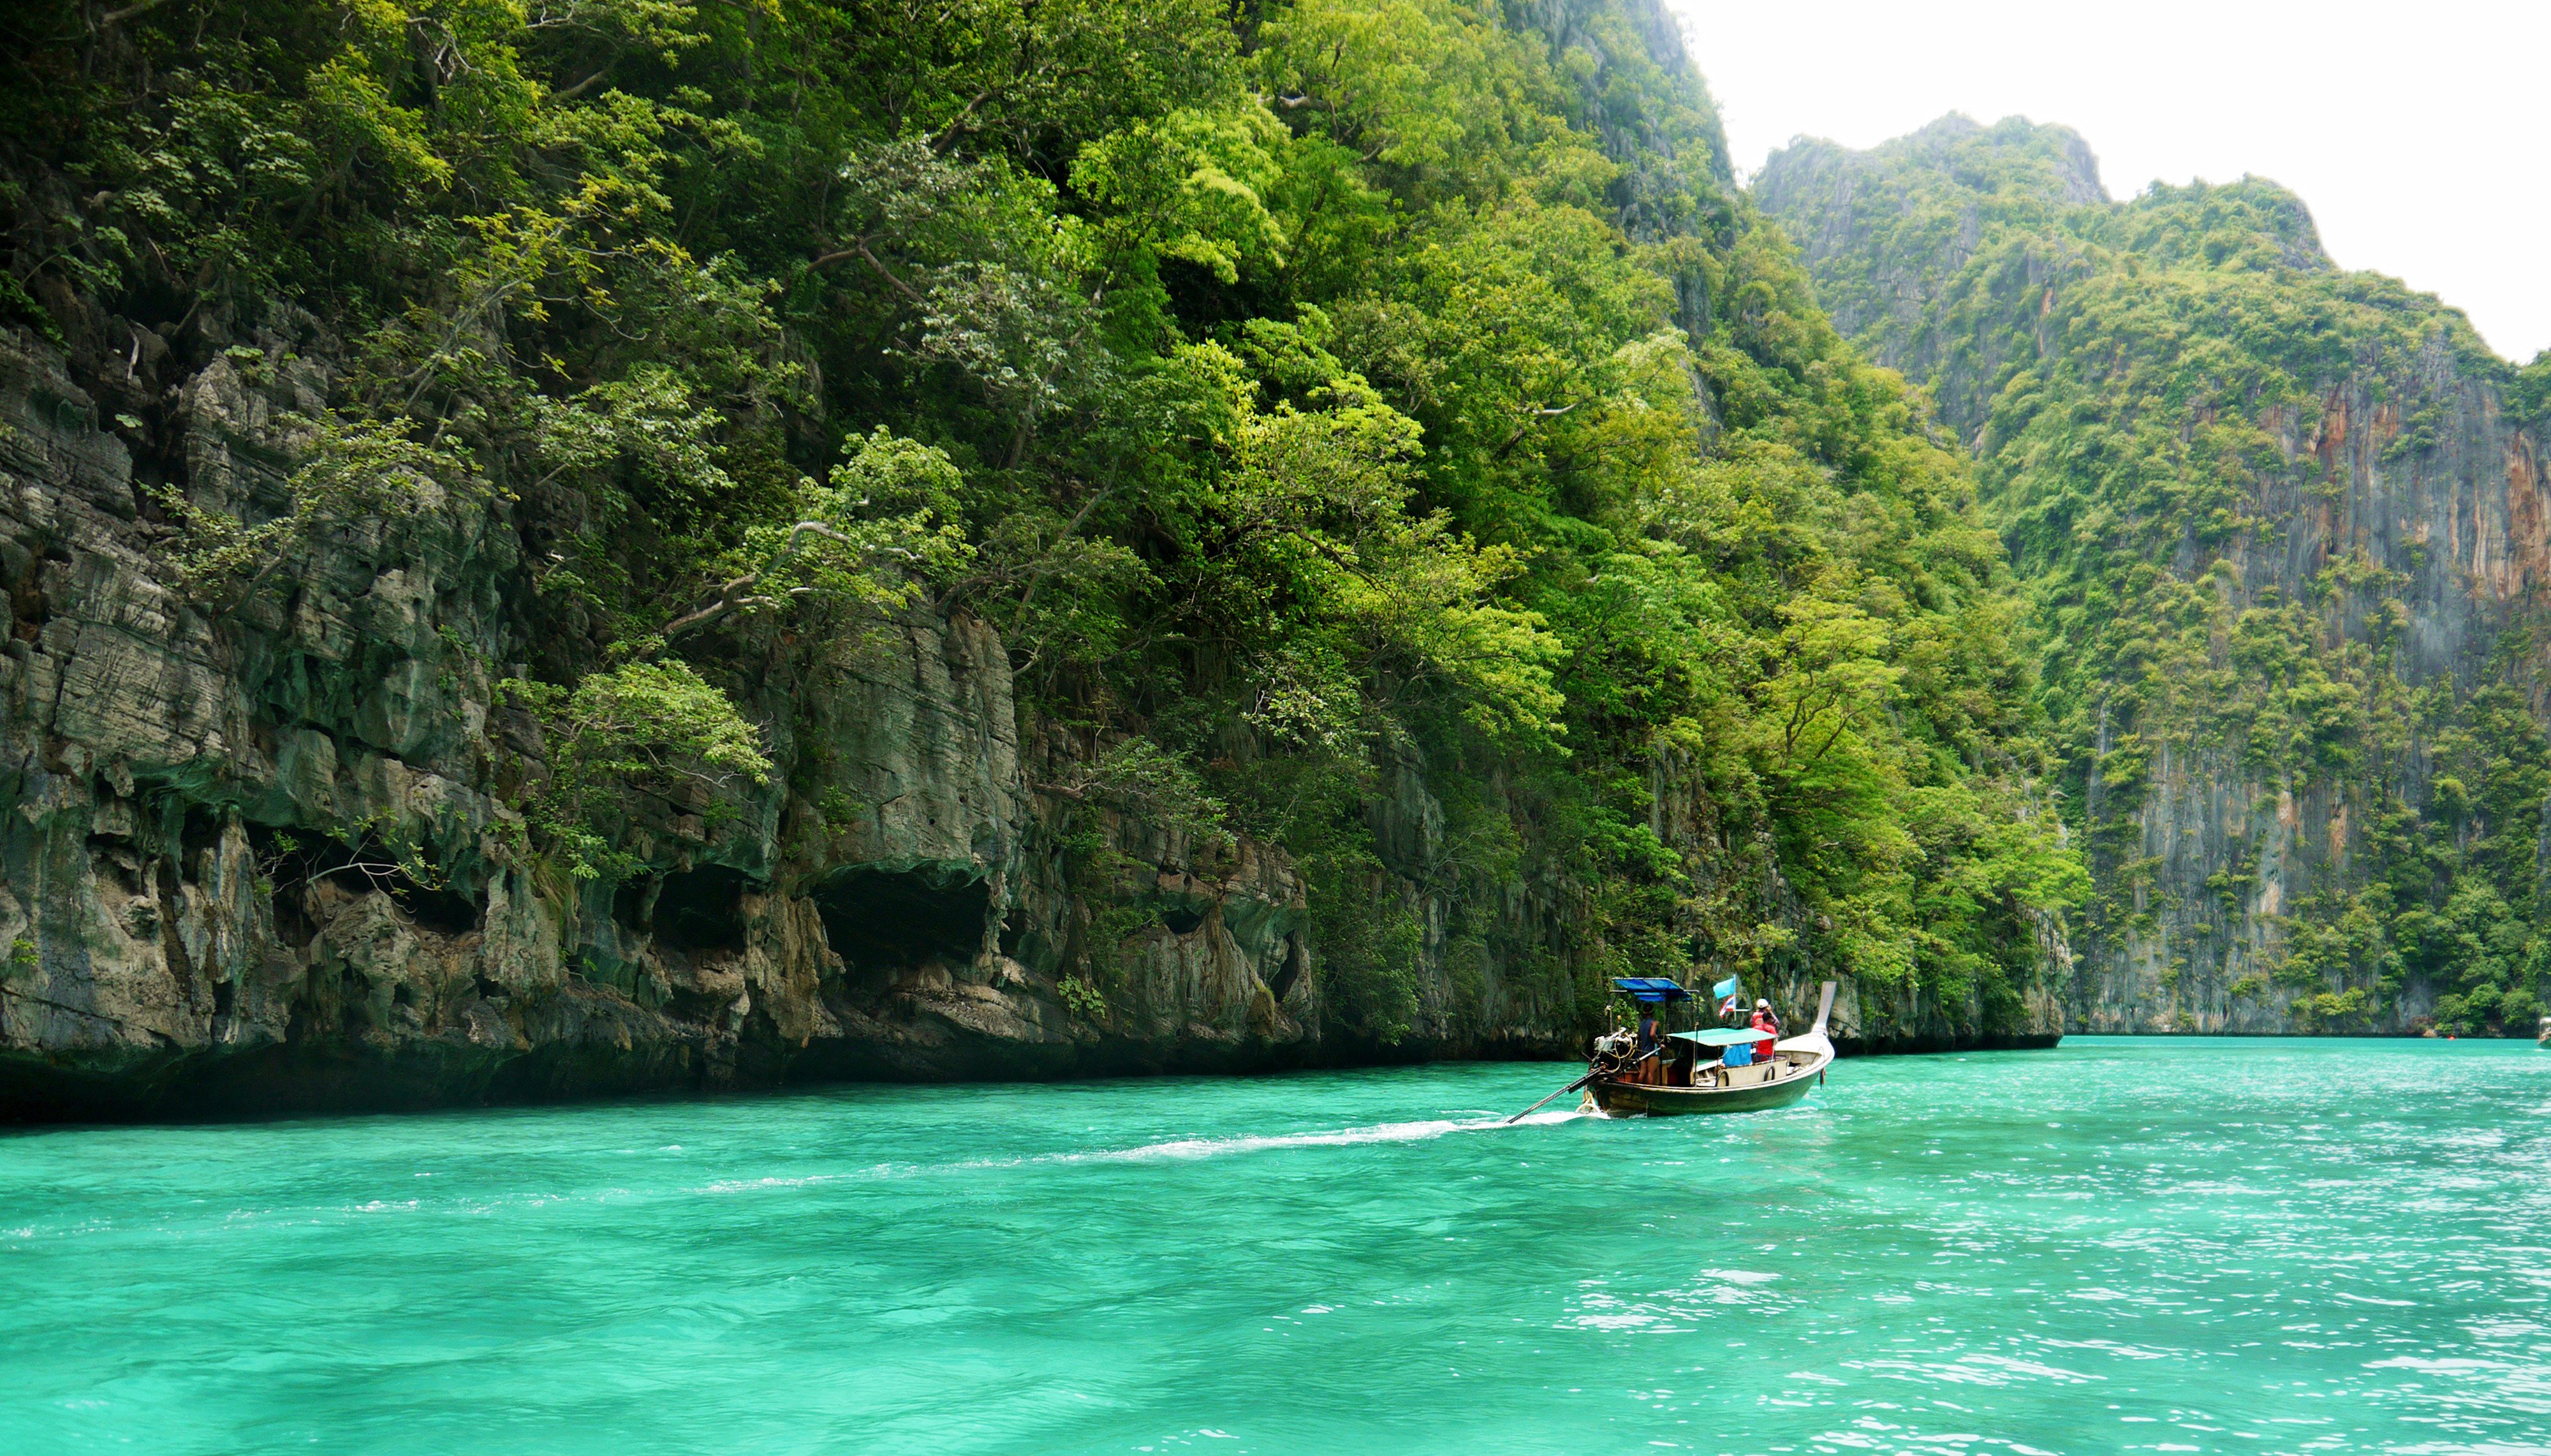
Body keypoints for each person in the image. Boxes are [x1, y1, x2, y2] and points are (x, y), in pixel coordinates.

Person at [1749, 998, 1779, 1064]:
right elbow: (1777, 1023)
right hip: (1768, 1044)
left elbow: (1752, 1023)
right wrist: (1770, 1011)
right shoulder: (1768, 1016)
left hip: (1758, 1042)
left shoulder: (1754, 1015)